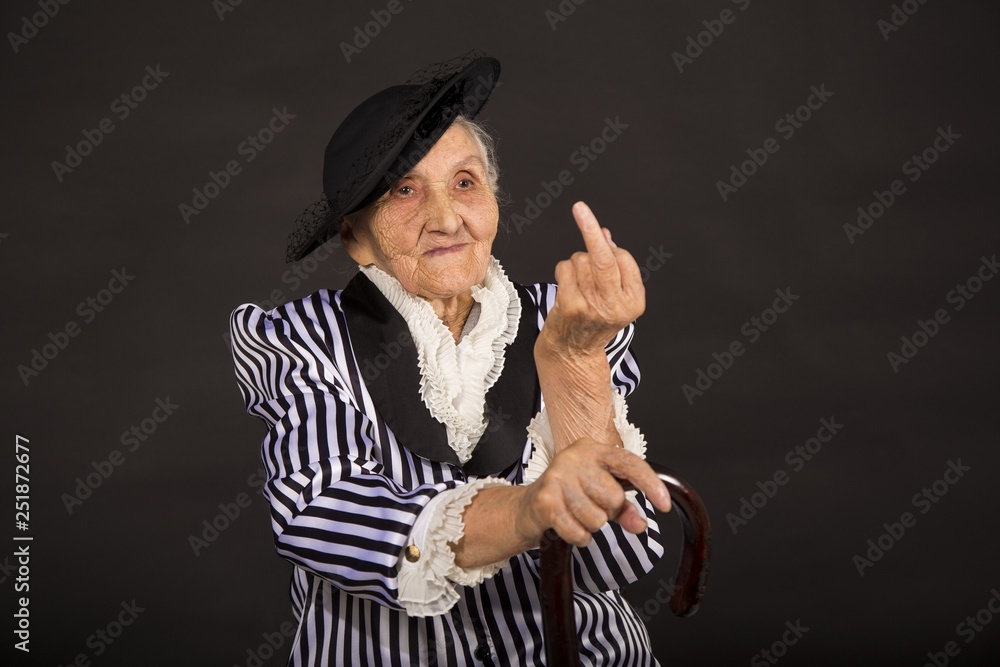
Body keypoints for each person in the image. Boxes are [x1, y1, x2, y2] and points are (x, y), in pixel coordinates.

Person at [230, 53, 672, 666]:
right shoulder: (298, 337)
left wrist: (575, 361)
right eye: (405, 190)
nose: (445, 218)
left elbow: (617, 555)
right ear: (356, 238)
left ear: (492, 201)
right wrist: (526, 508)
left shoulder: (569, 318)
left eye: (465, 182)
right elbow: (321, 516)